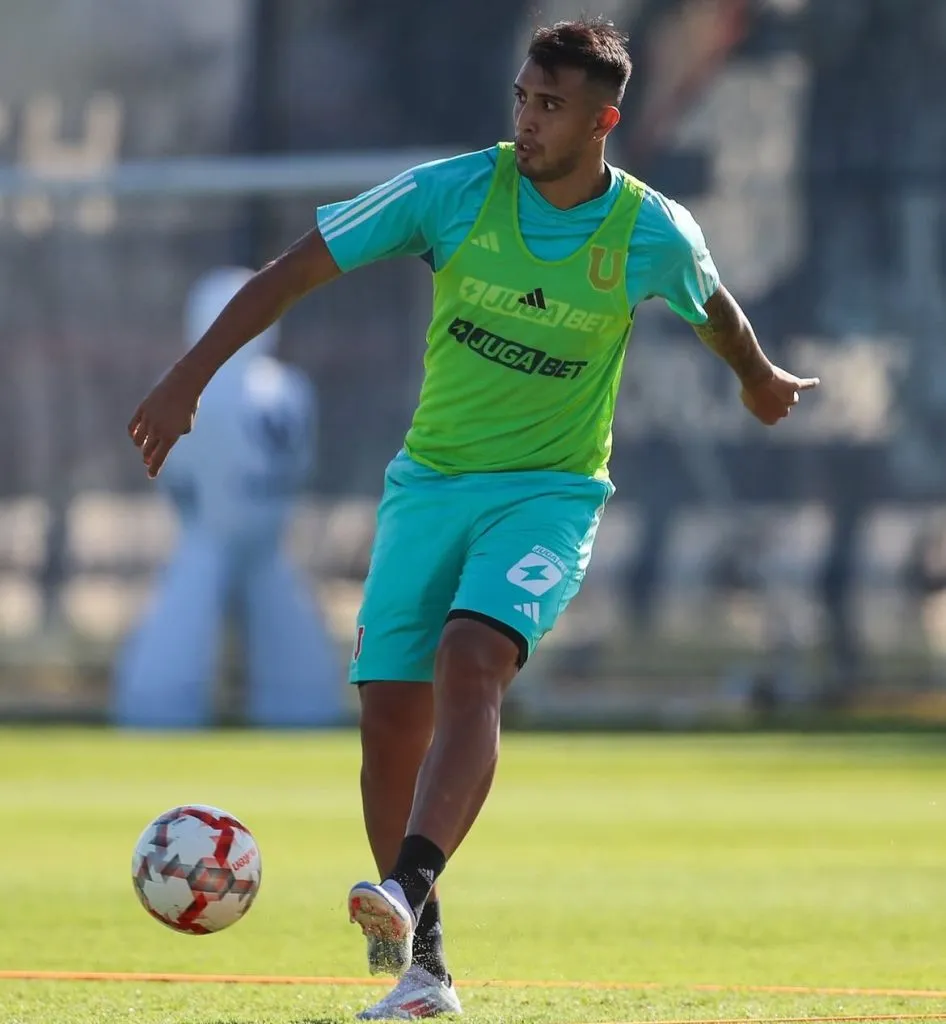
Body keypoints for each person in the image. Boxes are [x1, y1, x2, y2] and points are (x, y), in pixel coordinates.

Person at [127, 18, 819, 1019]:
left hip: (548, 496)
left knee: (471, 661)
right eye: (523, 99)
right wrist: (187, 380)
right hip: (429, 489)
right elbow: (296, 267)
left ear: (603, 120)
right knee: (390, 721)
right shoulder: (451, 192)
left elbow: (715, 307)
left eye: (552, 107)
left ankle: (403, 886)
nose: (529, 121)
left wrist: (756, 381)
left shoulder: (648, 231)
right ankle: (422, 973)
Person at [116, 267, 342, 729]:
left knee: (180, 639)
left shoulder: (203, 387)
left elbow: (172, 465)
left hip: (216, 529)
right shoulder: (289, 388)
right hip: (250, 531)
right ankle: (299, 713)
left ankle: (160, 715)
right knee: (288, 653)